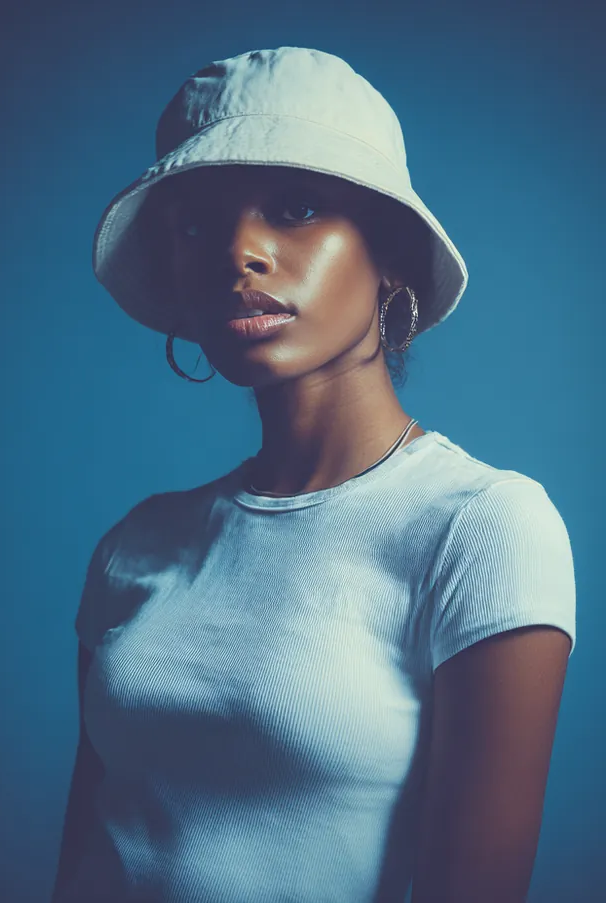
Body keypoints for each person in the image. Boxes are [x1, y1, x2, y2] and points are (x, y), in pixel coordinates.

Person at [51, 48, 575, 903]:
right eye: (197, 223)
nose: (240, 251)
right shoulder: (134, 544)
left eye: (295, 208)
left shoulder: (482, 525)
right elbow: (81, 855)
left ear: (391, 252)